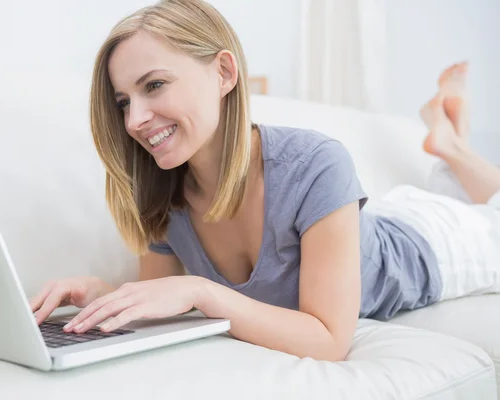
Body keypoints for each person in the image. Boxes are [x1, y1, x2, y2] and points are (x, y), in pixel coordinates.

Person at [29, 0, 500, 362]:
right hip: (371, 222)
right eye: (122, 102)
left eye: (154, 85)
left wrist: (201, 291)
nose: (135, 120)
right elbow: (163, 302)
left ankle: (450, 147)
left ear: (224, 73)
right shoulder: (161, 194)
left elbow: (329, 340)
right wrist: (103, 297)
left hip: (431, 246)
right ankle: (447, 149)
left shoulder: (317, 163)